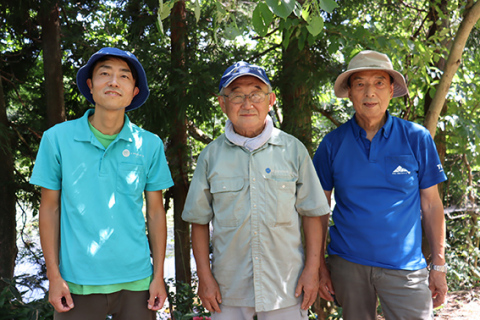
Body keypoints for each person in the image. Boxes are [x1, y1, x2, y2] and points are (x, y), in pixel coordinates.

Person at [30, 47, 174, 320]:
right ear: (90, 86)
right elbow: (49, 209)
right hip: (76, 283)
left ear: (134, 91)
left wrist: (158, 276)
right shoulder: (57, 139)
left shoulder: (150, 144)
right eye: (104, 74)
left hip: (138, 282)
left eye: (124, 76)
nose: (113, 82)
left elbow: (156, 213)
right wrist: (54, 276)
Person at [182, 61, 331, 320]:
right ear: (222, 102)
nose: (247, 103)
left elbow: (312, 214)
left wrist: (312, 270)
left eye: (256, 94)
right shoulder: (210, 157)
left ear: (271, 100)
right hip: (227, 292)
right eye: (237, 95)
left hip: (286, 287)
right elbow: (199, 221)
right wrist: (204, 278)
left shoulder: (293, 150)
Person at [313, 50, 448, 320]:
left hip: (406, 266)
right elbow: (318, 209)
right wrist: (318, 265)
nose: (369, 92)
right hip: (348, 263)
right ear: (349, 93)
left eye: (379, 82)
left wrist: (439, 264)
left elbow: (432, 205)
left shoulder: (416, 138)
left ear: (391, 90)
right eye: (360, 84)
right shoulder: (332, 144)